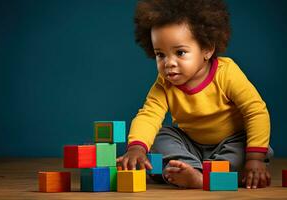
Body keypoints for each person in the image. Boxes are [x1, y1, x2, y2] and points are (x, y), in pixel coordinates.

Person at [116, 0, 273, 189]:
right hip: (191, 146)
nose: (168, 63)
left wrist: (255, 159)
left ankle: (198, 177)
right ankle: (188, 169)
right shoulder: (164, 83)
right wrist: (136, 148)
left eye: (180, 52)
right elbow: (148, 116)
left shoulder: (226, 73)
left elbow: (255, 111)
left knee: (247, 147)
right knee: (160, 135)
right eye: (160, 54)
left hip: (230, 141)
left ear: (207, 49)